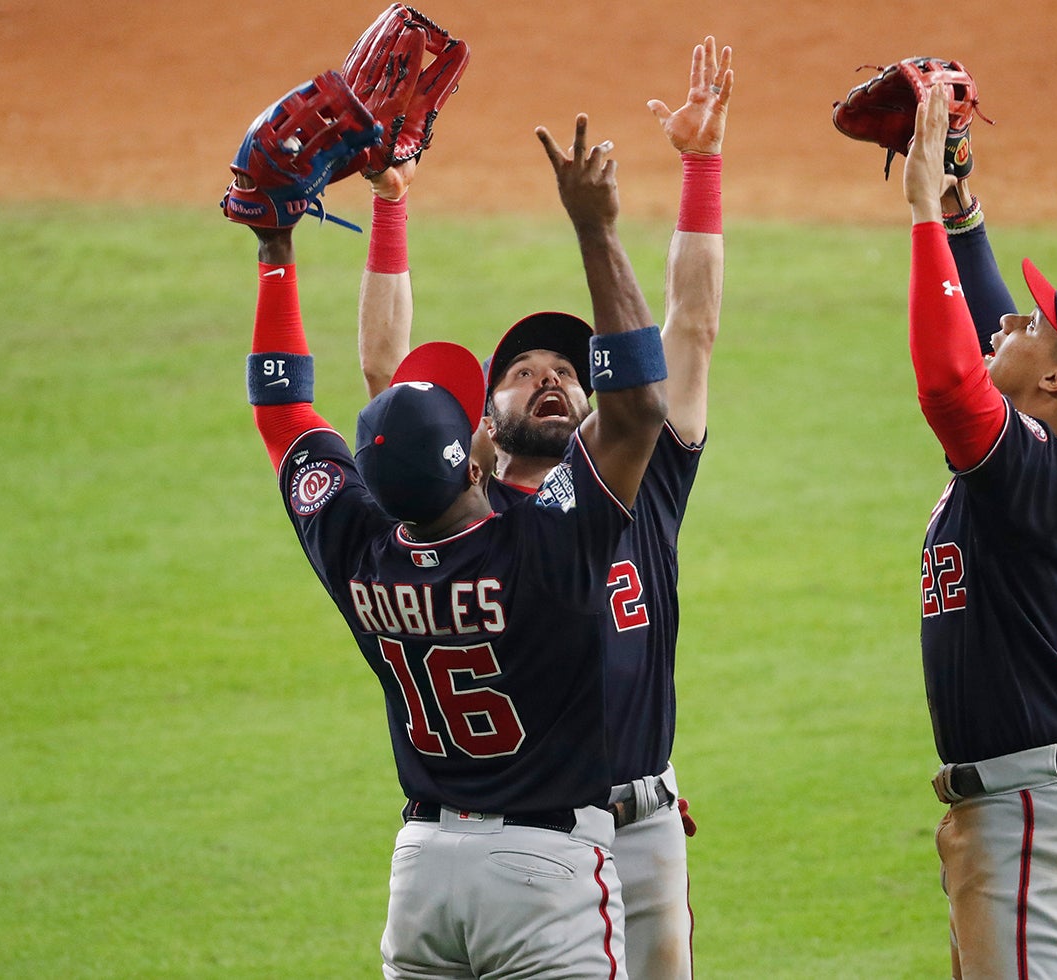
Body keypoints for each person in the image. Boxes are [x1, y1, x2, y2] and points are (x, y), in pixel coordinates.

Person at [241, 112, 668, 978]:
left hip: (424, 875)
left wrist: (275, 250)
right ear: (475, 460)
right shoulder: (540, 547)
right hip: (546, 875)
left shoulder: (358, 546)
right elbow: (638, 411)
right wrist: (596, 227)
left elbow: (284, 412)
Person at [355, 37, 732, 979]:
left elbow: (690, 328)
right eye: (523, 375)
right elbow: (382, 380)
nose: (550, 381)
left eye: (568, 371)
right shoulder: (463, 520)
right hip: (530, 836)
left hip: (642, 826)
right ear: (480, 428)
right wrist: (391, 206)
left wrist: (701, 166)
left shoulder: (641, 485)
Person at [901, 78, 1057, 978]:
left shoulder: (1030, 472)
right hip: (1054, 799)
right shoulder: (1048, 465)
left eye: (1035, 322)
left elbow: (947, 380)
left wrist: (923, 218)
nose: (1012, 314)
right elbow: (984, 335)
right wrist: (963, 202)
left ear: (1056, 381)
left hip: (1042, 819)